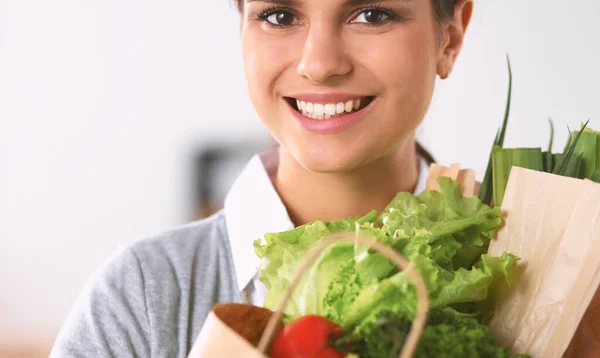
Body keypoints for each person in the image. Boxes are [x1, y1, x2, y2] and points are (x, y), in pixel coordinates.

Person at [50, 0, 473, 356]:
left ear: (450, 37)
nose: (320, 64)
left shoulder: (530, 275)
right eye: (280, 16)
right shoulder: (139, 298)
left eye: (372, 15)